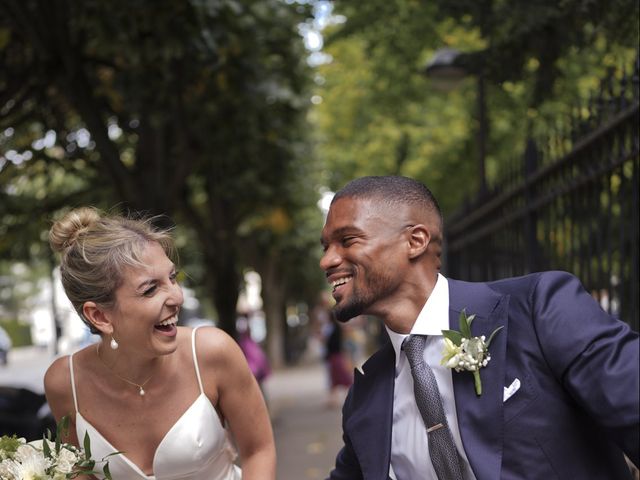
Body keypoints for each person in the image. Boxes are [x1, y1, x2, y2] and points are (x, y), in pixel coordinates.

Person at [320, 176, 639, 480]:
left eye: (347, 240)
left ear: (415, 241)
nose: (327, 261)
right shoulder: (364, 398)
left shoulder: (540, 308)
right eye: (325, 247)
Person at [44, 207, 275, 480]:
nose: (177, 297)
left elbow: (258, 449)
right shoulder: (64, 382)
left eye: (172, 278)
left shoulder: (213, 352)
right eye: (151, 289)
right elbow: (80, 474)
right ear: (100, 316)